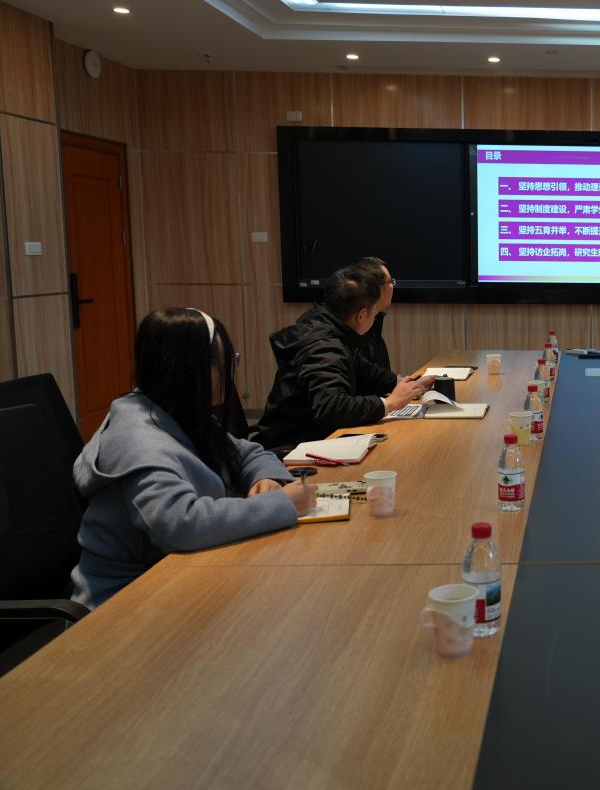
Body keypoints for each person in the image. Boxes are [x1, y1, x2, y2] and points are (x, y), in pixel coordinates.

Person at [71, 308, 315, 609]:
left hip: (178, 579)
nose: (230, 373)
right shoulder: (138, 440)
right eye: (225, 363)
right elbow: (180, 524)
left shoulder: (173, 411)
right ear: (190, 369)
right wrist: (281, 505)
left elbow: (246, 452)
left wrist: (264, 477)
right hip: (122, 606)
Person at [253, 266, 432, 450]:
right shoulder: (324, 347)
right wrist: (389, 403)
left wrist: (405, 383)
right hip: (291, 447)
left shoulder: (331, 327)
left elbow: (364, 369)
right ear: (361, 315)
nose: (376, 317)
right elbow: (331, 407)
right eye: (375, 312)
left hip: (311, 437)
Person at [350, 256, 394, 373]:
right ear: (375, 288)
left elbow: (378, 376)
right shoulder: (355, 326)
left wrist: (398, 381)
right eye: (390, 282)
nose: (393, 286)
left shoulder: (375, 322)